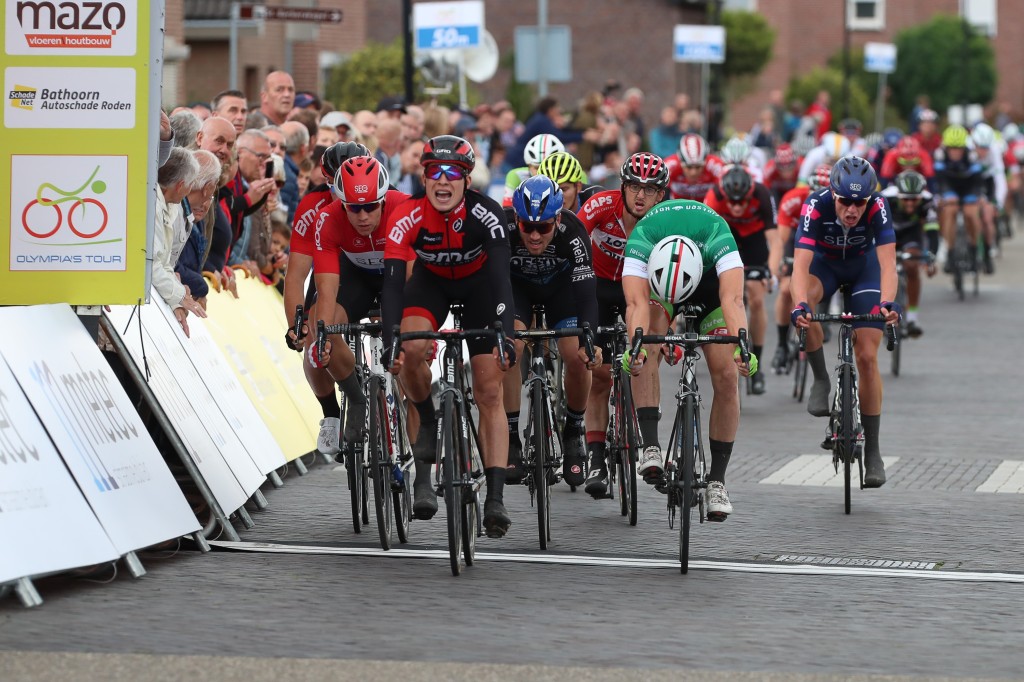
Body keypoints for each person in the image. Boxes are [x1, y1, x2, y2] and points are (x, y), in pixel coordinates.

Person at [382, 135, 517, 539]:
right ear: (423, 178)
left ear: (466, 180)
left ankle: (494, 498)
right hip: (431, 286)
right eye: (434, 173)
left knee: (489, 389)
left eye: (452, 173)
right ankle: (425, 431)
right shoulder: (406, 216)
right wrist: (391, 336)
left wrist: (504, 333)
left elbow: (501, 281)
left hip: (480, 290)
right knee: (409, 352)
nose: (443, 181)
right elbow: (392, 286)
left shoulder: (487, 214)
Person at [619, 200, 756, 519]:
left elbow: (733, 299)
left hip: (710, 288)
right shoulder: (644, 235)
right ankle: (650, 445)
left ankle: (717, 481)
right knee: (647, 340)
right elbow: (636, 303)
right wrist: (636, 346)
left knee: (725, 375)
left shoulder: (717, 233)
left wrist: (743, 348)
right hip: (660, 289)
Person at [790, 157, 900, 488]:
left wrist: (887, 303)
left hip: (863, 270)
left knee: (867, 356)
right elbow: (799, 267)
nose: (852, 210)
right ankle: (821, 378)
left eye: (859, 203)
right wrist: (798, 307)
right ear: (832, 194)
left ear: (869, 199)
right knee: (805, 305)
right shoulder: (815, 205)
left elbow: (888, 264)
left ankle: (873, 450)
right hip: (825, 267)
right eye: (845, 201)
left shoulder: (879, 206)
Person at [576, 152, 669, 498]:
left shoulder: (664, 221)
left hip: (641, 290)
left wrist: (669, 328)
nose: (640, 196)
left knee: (648, 354)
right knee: (599, 374)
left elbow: (674, 278)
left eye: (649, 189)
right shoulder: (601, 205)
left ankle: (648, 430)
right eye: (633, 186)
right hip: (598, 286)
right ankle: (597, 458)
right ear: (623, 186)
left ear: (661, 194)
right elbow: (572, 237)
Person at [501, 175, 601, 488]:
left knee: (576, 354)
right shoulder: (502, 229)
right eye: (526, 226)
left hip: (563, 292)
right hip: (518, 292)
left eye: (542, 227)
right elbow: (493, 283)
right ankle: (512, 436)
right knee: (510, 350)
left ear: (557, 220)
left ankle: (573, 429)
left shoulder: (573, 231)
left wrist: (590, 339)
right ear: (515, 218)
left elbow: (586, 291)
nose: (533, 235)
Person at [307, 157, 411, 451]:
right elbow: (326, 290)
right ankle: (355, 398)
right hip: (357, 278)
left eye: (370, 207)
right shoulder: (328, 219)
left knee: (409, 340)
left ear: (383, 199)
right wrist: (324, 337)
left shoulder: (403, 207)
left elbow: (416, 282)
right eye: (354, 208)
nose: (363, 216)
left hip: (399, 274)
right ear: (342, 204)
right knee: (322, 327)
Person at [283, 141, 370, 455]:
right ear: (326, 177)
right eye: (338, 183)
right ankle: (331, 413)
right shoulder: (314, 204)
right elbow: (295, 273)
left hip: (380, 269)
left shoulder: (386, 198)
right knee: (315, 335)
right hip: (337, 272)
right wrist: (295, 323)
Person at [703, 166, 779, 394]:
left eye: (741, 202)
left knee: (756, 298)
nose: (736, 207)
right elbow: (704, 238)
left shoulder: (763, 194)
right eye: (732, 203)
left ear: (750, 195)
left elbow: (774, 240)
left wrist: (771, 273)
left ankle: (757, 360)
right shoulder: (714, 196)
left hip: (754, 240)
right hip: (726, 237)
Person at [771, 164, 831, 373]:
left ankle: (821, 312)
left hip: (823, 246)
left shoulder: (838, 206)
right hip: (796, 243)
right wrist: (777, 266)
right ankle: (780, 344)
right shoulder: (793, 199)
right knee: (787, 289)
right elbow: (781, 239)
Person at [880, 170, 939, 337]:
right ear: (898, 194)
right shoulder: (884, 199)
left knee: (912, 266)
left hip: (910, 234)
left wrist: (931, 259)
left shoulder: (928, 201)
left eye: (914, 199)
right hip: (887, 233)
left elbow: (932, 233)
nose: (910, 204)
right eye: (905, 199)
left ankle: (912, 318)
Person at [155, 148, 206, 336]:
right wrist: (180, 296)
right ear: (181, 185)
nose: (189, 192)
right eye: (190, 185)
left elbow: (164, 262)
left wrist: (177, 299)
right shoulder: (151, 206)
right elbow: (150, 265)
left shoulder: (170, 206)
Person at [932, 125, 987, 276]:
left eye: (959, 148)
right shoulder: (939, 155)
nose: (955, 152)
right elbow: (939, 179)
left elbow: (977, 181)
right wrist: (944, 195)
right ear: (946, 147)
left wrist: (977, 196)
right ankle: (950, 253)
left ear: (964, 147)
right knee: (949, 211)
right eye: (952, 148)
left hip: (969, 187)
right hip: (949, 187)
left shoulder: (972, 156)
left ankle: (974, 251)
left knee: (972, 214)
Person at [502, 133, 564, 207]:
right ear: (528, 166)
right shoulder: (516, 175)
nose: (542, 173)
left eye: (549, 168)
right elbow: (507, 211)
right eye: (537, 168)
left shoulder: (574, 175)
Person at [537, 151, 601, 212]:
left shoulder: (597, 200)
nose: (557, 197)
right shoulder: (535, 204)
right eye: (551, 190)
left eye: (563, 189)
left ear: (578, 186)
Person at [665, 133, 718, 202]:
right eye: (689, 167)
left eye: (698, 167)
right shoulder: (670, 165)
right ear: (680, 162)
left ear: (705, 161)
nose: (693, 172)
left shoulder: (714, 165)